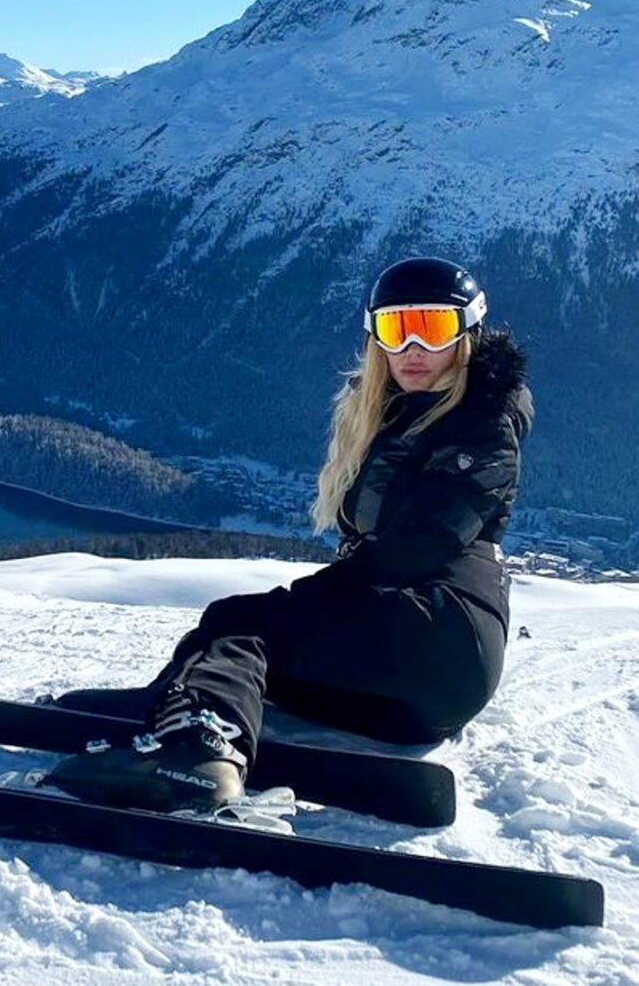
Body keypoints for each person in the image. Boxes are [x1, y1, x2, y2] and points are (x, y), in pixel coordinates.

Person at [45, 256, 533, 813]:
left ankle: (201, 752)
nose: (412, 347)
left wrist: (297, 605)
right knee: (246, 637)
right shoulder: (401, 413)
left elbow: (414, 549)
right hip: (410, 668)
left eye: (434, 327)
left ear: (468, 333)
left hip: (439, 643)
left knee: (244, 622)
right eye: (396, 328)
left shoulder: (481, 426)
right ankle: (182, 707)